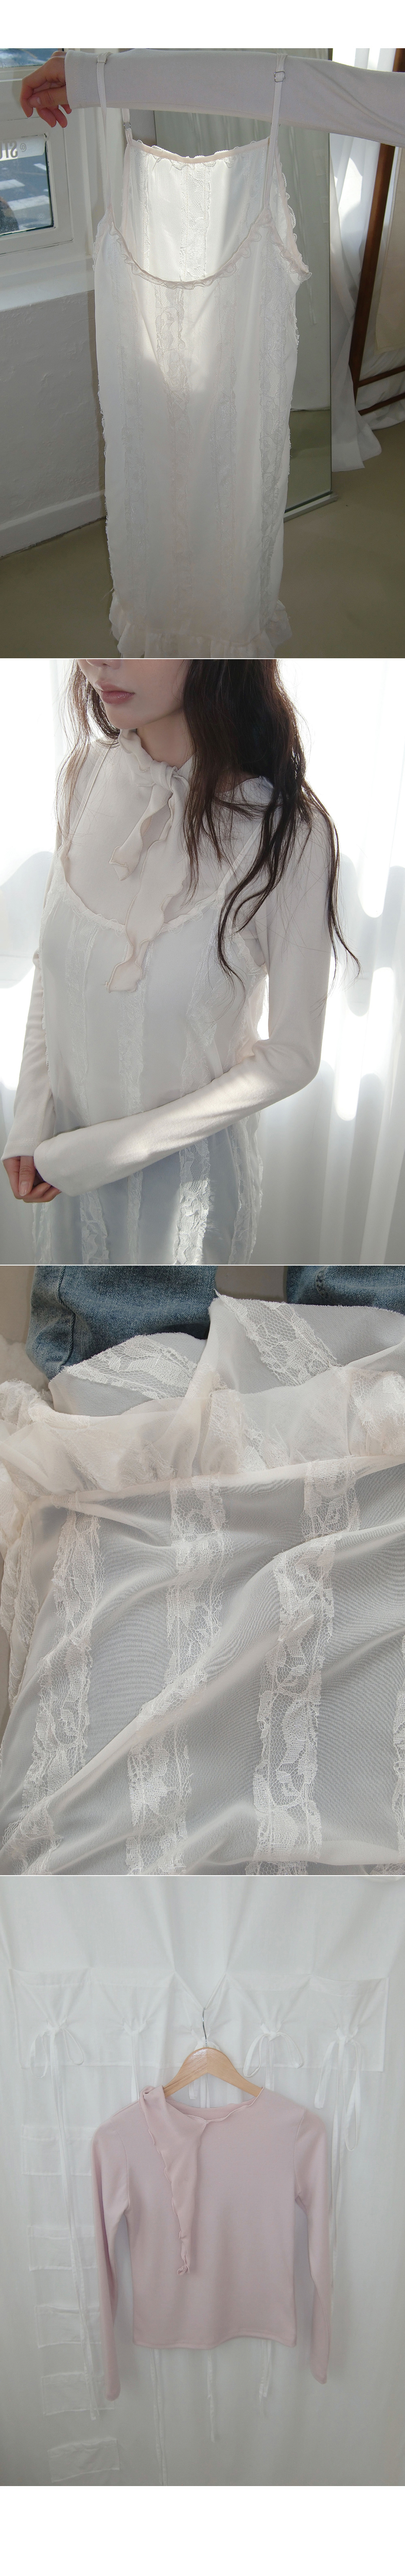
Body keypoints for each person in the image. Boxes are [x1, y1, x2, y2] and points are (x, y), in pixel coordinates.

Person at [3, 657, 355, 1264]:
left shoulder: (291, 835)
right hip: (66, 1179)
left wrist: (109, 1152)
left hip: (186, 1206)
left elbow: (294, 1056)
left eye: (142, 639)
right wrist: (32, 1121)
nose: (98, 660)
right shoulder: (84, 777)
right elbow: (54, 966)